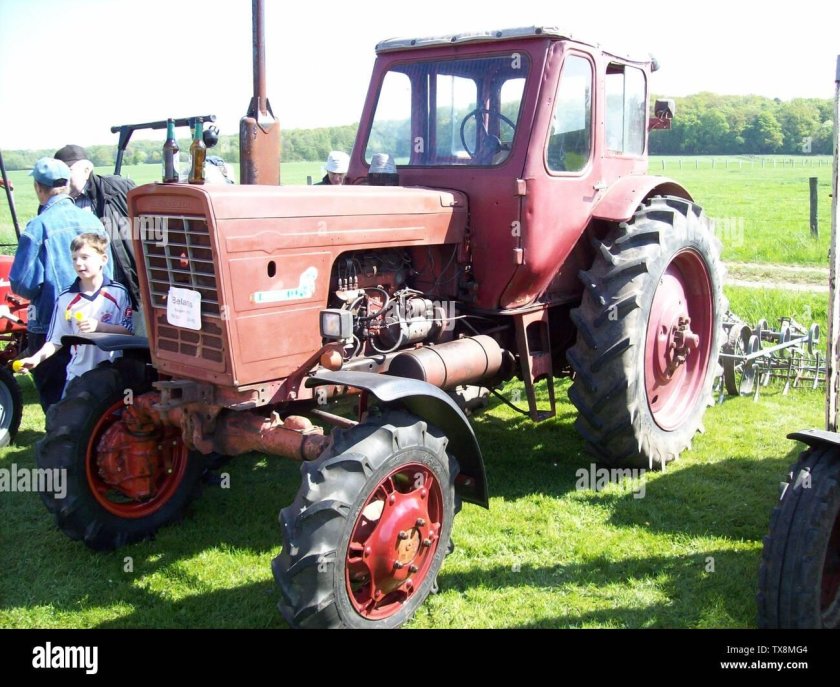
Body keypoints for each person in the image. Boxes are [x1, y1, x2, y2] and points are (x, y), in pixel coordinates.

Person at [10, 158, 110, 411]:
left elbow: (22, 283)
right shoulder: (93, 222)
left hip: (50, 323)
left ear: (38, 187)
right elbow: (108, 271)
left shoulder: (38, 227)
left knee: (55, 395)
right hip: (94, 319)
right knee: (92, 391)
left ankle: (60, 442)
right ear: (66, 185)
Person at [16, 233, 133, 397]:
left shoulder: (118, 293)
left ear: (103, 259)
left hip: (112, 374)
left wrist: (99, 327)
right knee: (69, 419)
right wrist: (35, 360)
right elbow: (55, 340)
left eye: (85, 257)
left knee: (113, 421)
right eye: (74, 259)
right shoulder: (65, 299)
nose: (79, 263)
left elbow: (128, 332)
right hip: (78, 375)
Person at [53, 144, 140, 314]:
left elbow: (145, 231)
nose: (64, 178)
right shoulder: (56, 206)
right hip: (82, 291)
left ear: (87, 170)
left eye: (68, 170)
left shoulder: (118, 190)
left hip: (124, 283)